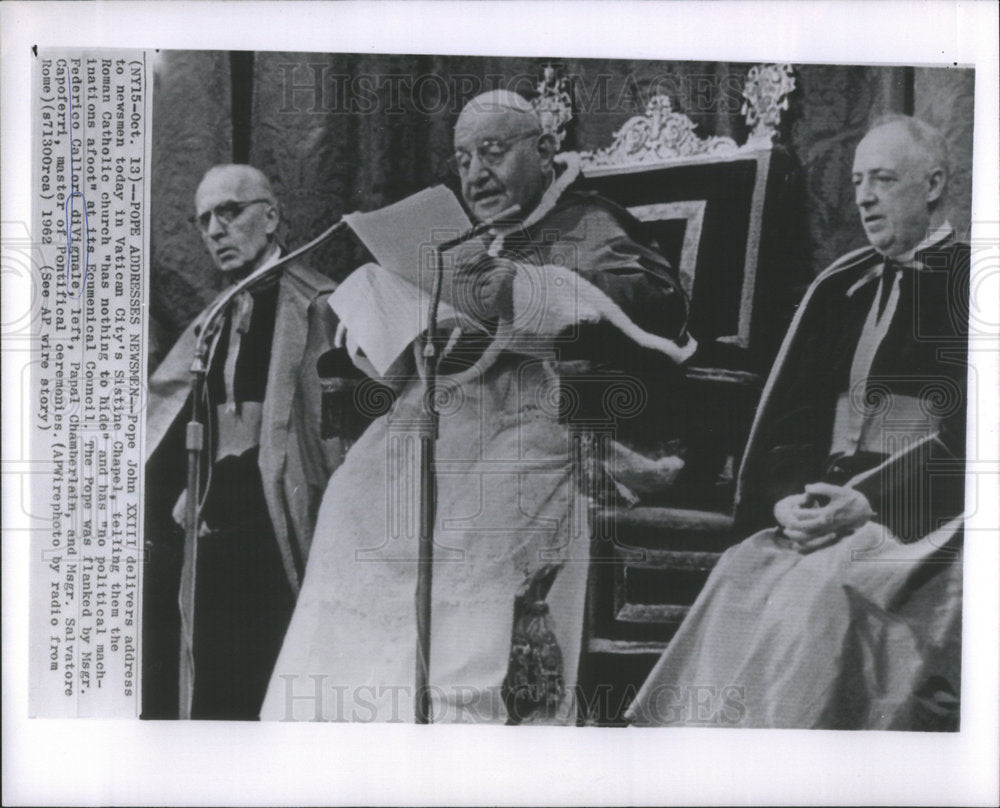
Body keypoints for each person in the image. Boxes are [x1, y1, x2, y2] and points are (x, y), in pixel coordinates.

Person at [261, 90, 696, 723]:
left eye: (492, 152)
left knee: (469, 530)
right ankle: (353, 730)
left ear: (545, 150)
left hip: (546, 422)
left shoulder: (590, 221)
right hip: (446, 418)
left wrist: (526, 291)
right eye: (463, 159)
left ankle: (455, 730)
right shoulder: (473, 238)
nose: (475, 174)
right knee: (354, 498)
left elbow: (655, 306)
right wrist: (392, 327)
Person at [626, 115, 969, 730]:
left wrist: (870, 504)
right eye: (860, 180)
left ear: (934, 184)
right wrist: (784, 500)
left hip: (925, 517)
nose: (864, 196)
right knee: (742, 573)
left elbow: (980, 441)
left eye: (885, 180)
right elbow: (792, 423)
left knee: (823, 596)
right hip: (822, 509)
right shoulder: (840, 286)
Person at [143, 164, 342, 719]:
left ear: (271, 216)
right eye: (204, 219)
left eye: (229, 212)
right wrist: (196, 489)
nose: (214, 230)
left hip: (282, 520)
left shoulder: (318, 303)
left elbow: (332, 435)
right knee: (214, 685)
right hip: (215, 523)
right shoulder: (218, 313)